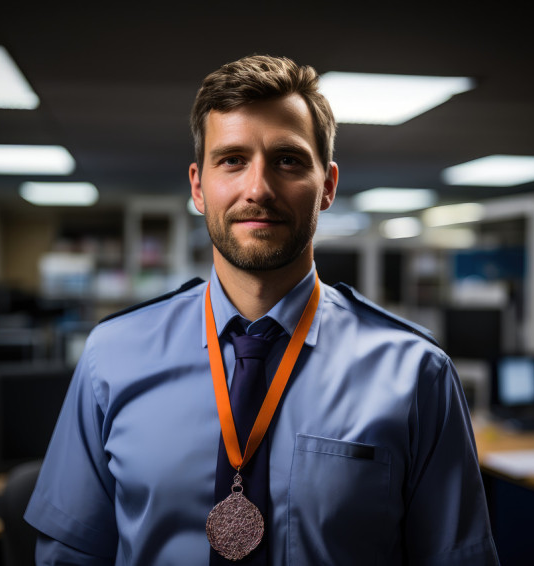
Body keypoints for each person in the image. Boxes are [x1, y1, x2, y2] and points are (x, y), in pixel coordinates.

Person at [25, 54, 500, 565]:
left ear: (328, 186)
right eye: (231, 159)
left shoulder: (415, 373)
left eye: (288, 160)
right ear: (197, 186)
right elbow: (70, 555)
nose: (258, 189)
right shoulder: (112, 357)